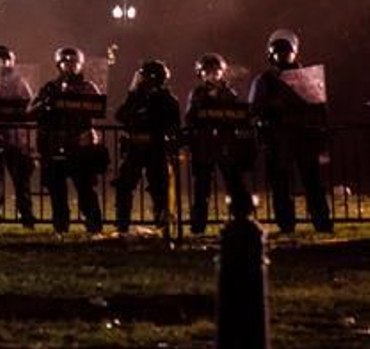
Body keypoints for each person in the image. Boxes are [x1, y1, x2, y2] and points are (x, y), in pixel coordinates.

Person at [248, 30, 332, 233]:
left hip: (303, 136)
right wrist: (272, 108)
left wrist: (320, 134)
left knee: (312, 182)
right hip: (278, 137)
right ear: (271, 54)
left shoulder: (305, 77)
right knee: (281, 184)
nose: (284, 55)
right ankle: (286, 223)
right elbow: (254, 108)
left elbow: (320, 107)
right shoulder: (266, 79)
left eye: (287, 51)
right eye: (279, 52)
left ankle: (321, 221)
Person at [31, 46, 106, 235]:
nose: (70, 67)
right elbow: (32, 111)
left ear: (80, 65)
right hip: (55, 144)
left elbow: (98, 109)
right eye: (66, 63)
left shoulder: (88, 87)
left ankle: (94, 225)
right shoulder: (50, 88)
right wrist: (47, 104)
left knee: (86, 189)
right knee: (57, 192)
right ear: (59, 65)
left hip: (80, 146)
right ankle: (61, 227)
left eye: (74, 63)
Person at [184, 53, 252, 234]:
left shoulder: (229, 93)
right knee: (202, 188)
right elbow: (190, 118)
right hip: (204, 146)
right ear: (201, 73)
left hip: (225, 145)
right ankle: (198, 225)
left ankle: (242, 221)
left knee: (235, 184)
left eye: (216, 71)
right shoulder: (197, 93)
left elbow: (239, 115)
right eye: (208, 71)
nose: (213, 75)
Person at [112, 59, 181, 234]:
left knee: (159, 188)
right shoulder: (137, 96)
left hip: (156, 149)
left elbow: (173, 124)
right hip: (136, 147)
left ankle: (162, 226)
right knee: (125, 185)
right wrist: (133, 97)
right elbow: (121, 115)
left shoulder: (166, 99)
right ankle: (123, 225)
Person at [0, 44, 38, 229]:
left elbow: (28, 106)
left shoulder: (18, 82)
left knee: (21, 182)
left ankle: (27, 216)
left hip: (15, 138)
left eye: (2, 60)